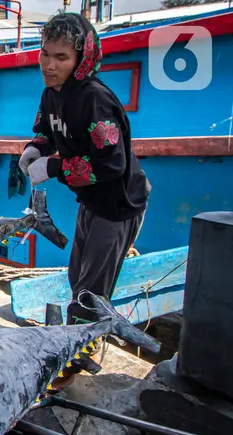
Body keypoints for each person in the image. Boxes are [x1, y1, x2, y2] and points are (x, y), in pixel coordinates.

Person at [19, 13, 150, 322]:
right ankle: (78, 340)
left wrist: (53, 167)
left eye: (61, 57)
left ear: (82, 59)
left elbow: (112, 164)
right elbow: (48, 132)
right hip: (90, 199)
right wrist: (35, 148)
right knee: (77, 276)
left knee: (92, 291)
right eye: (45, 54)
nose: (48, 65)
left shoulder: (95, 100)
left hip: (118, 204)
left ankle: (81, 353)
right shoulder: (52, 93)